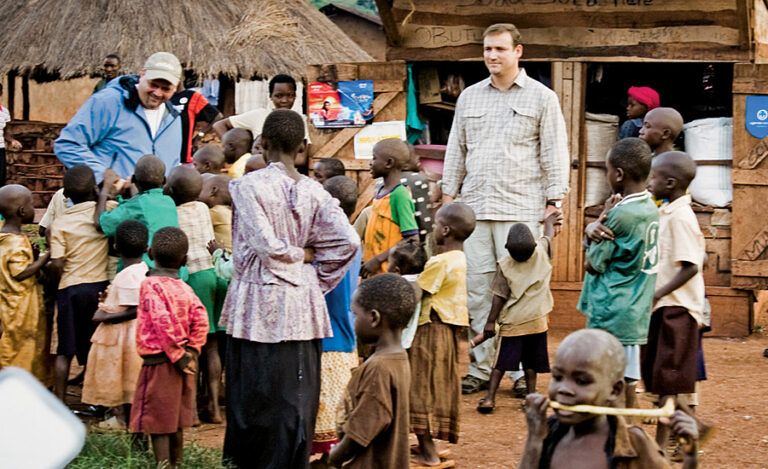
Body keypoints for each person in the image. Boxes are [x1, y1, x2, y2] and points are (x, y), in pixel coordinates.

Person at [220, 110, 360, 468]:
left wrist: (299, 260)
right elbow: (348, 242)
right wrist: (312, 275)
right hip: (302, 306)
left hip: (255, 305)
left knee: (253, 399)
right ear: (303, 147)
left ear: (262, 144)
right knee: (296, 402)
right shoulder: (316, 191)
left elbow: (265, 244)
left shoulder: (249, 186)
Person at [441, 23, 569, 395]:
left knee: (521, 292)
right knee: (478, 289)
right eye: (487, 49)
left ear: (519, 52)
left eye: (499, 49)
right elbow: (456, 151)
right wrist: (449, 200)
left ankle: (515, 374)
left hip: (522, 210)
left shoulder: (542, 98)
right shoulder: (469, 97)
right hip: (475, 210)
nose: (492, 56)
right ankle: (481, 369)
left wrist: (553, 203)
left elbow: (554, 153)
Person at [519, 329, 699, 469]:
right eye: (558, 377)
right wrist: (534, 439)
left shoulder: (634, 444)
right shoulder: (547, 434)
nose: (564, 389)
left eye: (582, 381)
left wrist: (691, 458)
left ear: (615, 390)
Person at [579, 138, 658, 409]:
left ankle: (618, 436)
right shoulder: (649, 207)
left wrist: (595, 225)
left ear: (619, 175)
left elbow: (593, 263)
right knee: (627, 375)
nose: (607, 175)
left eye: (607, 170)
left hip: (610, 307)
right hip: (634, 307)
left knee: (606, 376)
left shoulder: (621, 216)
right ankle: (627, 430)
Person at [130, 227, 209, 468]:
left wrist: (177, 355)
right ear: (184, 260)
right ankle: (177, 463)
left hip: (161, 361)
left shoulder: (150, 285)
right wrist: (192, 350)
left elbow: (161, 320)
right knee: (174, 419)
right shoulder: (185, 288)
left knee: (157, 421)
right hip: (183, 362)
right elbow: (201, 318)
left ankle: (163, 465)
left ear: (150, 252)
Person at [644, 151, 705, 449]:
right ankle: (692, 430)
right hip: (665, 306)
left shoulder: (681, 217)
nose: (649, 181)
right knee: (660, 377)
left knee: (669, 380)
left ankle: (660, 445)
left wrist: (658, 292)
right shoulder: (667, 211)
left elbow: (692, 266)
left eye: (653, 177)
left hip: (678, 308)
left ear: (670, 183)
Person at [474, 210, 561, 414]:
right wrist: (549, 221)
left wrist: (490, 323)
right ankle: (531, 398)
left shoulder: (505, 265)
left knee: (501, 363)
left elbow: (499, 297)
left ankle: (489, 398)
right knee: (531, 362)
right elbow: (548, 234)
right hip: (538, 321)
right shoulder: (542, 250)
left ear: (507, 248)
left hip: (513, 323)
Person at [410, 202, 476, 466]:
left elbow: (416, 294)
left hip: (429, 333)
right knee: (435, 386)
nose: (433, 228)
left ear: (446, 230)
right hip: (446, 333)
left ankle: (428, 453)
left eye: (436, 224)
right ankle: (427, 445)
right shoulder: (459, 258)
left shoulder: (439, 261)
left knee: (419, 388)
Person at [328, 274, 414, 469]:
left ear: (374, 317)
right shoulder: (399, 358)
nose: (353, 322)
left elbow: (360, 432)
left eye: (356, 314)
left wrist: (334, 457)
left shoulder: (378, 368)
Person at [56, 52, 183, 182]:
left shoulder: (173, 119)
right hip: (106, 200)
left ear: (175, 88)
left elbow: (172, 166)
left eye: (165, 89)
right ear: (142, 74)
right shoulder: (108, 102)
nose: (157, 93)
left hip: (151, 202)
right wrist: (105, 178)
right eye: (153, 85)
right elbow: (68, 144)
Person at [164, 165, 223, 423]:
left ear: (172, 191)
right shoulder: (202, 208)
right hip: (214, 274)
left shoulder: (171, 212)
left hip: (194, 279)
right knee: (212, 346)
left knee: (193, 346)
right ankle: (215, 408)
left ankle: (193, 412)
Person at [48, 165, 111, 401]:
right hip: (99, 289)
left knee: (65, 350)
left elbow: (57, 263)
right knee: (97, 346)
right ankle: (98, 400)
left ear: (65, 195)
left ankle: (60, 400)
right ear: (95, 189)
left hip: (69, 289)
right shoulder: (106, 211)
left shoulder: (60, 224)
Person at [311, 175, 362, 460]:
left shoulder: (332, 245)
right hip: (345, 339)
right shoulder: (353, 240)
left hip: (329, 342)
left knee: (325, 427)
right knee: (339, 419)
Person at [81, 220, 148, 427]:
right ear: (147, 248)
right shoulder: (141, 270)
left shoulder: (127, 275)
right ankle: (123, 419)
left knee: (126, 381)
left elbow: (135, 309)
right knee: (128, 382)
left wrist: (104, 317)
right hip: (129, 337)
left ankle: (127, 423)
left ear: (115, 246)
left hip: (125, 339)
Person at [0, 185, 52, 384]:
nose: (34, 207)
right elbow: (20, 273)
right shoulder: (14, 242)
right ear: (22, 211)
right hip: (18, 308)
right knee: (19, 348)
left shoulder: (8, 237)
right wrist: (45, 257)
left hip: (8, 303)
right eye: (31, 204)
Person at [94, 155, 179, 268]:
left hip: (145, 273)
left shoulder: (137, 205)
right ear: (164, 180)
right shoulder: (169, 202)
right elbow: (144, 203)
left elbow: (100, 223)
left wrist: (105, 189)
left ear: (133, 180)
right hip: (175, 271)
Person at [212, 74, 311, 169]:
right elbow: (219, 125)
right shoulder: (259, 115)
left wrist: (264, 159)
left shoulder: (300, 121)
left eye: (289, 95)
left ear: (295, 96)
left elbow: (301, 159)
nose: (284, 100)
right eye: (279, 96)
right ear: (271, 96)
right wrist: (238, 152)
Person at [360, 138, 419, 277]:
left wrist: (378, 259)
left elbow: (412, 240)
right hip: (373, 271)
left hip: (387, 273)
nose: (370, 163)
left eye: (374, 158)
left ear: (389, 163)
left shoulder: (400, 195)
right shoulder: (380, 191)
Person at [171, 80, 222, 164]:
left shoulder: (193, 96)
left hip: (184, 154)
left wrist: (199, 135)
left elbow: (217, 116)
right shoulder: (164, 97)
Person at [198, 174, 233, 251]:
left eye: (199, 188)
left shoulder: (216, 212)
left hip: (225, 259)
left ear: (213, 190)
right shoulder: (229, 211)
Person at [0, 82, 23, 186]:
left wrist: (12, 140)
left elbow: (5, 132)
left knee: (1, 177)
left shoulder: (4, 111)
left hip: (0, 148)